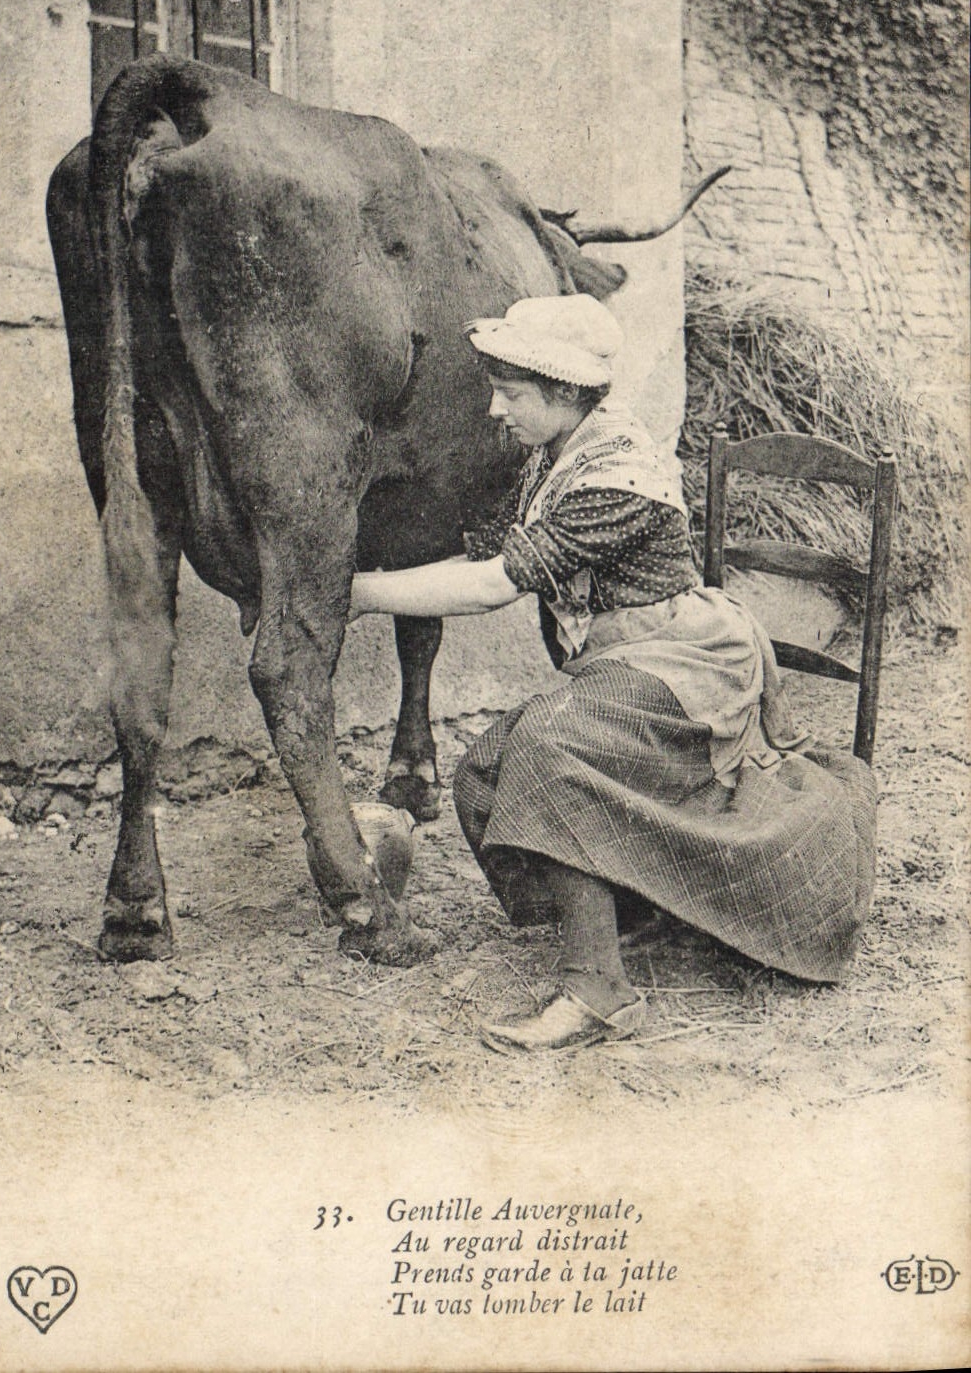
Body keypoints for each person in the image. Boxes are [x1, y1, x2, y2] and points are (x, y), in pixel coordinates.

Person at [348, 294, 876, 1054]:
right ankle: (638, 909)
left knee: (547, 753)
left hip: (687, 664)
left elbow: (499, 581)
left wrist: (359, 596)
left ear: (564, 393)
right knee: (480, 776)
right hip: (627, 662)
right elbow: (482, 552)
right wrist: (360, 571)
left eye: (512, 392)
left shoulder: (616, 469)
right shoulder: (550, 460)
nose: (496, 407)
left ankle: (599, 991)